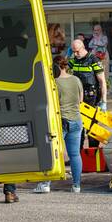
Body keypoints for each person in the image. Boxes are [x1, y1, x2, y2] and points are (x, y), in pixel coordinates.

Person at [35, 57, 85, 194]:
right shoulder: (76, 80)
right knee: (75, 154)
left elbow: (50, 102)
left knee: (54, 152)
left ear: (55, 68)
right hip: (76, 120)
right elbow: (81, 100)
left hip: (60, 121)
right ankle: (76, 186)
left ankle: (45, 184)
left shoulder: (54, 83)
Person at [68, 37, 107, 110]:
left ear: (83, 47)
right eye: (73, 52)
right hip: (77, 94)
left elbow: (102, 81)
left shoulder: (93, 60)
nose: (75, 54)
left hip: (90, 96)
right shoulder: (74, 60)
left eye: (77, 51)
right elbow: (64, 70)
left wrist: (104, 101)